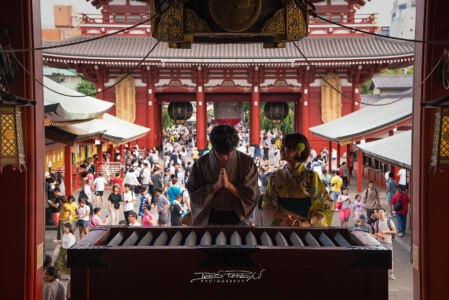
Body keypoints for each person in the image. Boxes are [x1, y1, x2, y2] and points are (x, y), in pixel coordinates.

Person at [186, 124, 259, 226]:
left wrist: (229, 186)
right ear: (213, 147)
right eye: (220, 154)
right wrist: (215, 187)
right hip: (209, 217)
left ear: (233, 147)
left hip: (236, 217)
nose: (224, 158)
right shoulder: (200, 164)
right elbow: (194, 195)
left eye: (228, 153)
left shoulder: (246, 163)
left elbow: (251, 196)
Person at [262, 133, 333, 227]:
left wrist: (309, 223)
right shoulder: (275, 176)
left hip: (306, 229)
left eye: (285, 146)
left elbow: (325, 206)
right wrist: (284, 217)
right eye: (281, 146)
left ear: (297, 150)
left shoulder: (311, 177)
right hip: (282, 226)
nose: (281, 149)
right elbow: (267, 205)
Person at [374, 208, 397, 280]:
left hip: (388, 242)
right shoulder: (376, 223)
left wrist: (385, 232)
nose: (380, 213)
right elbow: (375, 232)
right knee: (380, 259)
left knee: (390, 258)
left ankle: (391, 273)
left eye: (382, 212)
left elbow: (395, 231)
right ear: (377, 214)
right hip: (379, 242)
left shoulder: (389, 221)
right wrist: (378, 235)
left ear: (385, 213)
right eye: (379, 212)